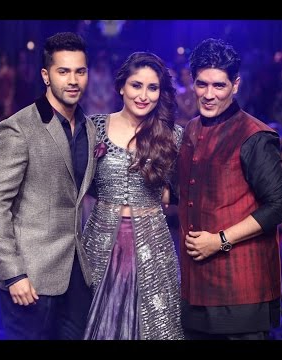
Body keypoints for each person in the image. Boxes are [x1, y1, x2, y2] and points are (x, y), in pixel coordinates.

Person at [0, 32, 96, 340]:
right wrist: (13, 274)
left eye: (80, 71)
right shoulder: (18, 128)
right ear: (46, 75)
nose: (73, 80)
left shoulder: (90, 128)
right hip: (29, 278)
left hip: (75, 277)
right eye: (63, 71)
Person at [176, 38, 282, 340]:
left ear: (235, 85)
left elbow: (279, 205)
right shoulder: (190, 129)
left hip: (242, 288)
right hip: (196, 285)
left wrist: (221, 240)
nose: (209, 95)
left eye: (219, 86)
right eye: (202, 85)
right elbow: (187, 191)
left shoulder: (255, 135)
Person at [82, 52, 184, 340]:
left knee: (153, 326)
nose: (144, 95)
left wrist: (164, 192)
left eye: (153, 88)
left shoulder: (172, 135)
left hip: (152, 243)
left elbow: (183, 190)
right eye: (136, 85)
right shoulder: (94, 127)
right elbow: (80, 181)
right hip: (100, 241)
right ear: (121, 87)